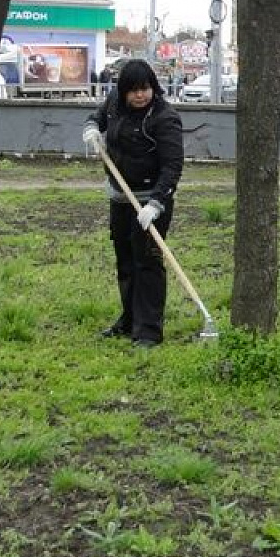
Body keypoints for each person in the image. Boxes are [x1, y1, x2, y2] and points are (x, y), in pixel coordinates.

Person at [81, 59, 184, 348]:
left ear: (153, 87)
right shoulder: (115, 103)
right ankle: (129, 321)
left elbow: (173, 166)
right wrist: (91, 129)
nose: (140, 95)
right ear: (123, 91)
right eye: (133, 90)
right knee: (125, 261)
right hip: (121, 199)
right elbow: (97, 117)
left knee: (147, 263)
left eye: (145, 89)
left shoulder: (164, 119)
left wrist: (156, 204)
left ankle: (149, 331)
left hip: (150, 203)